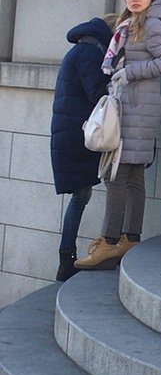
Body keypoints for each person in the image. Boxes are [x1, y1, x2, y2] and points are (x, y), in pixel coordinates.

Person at [75, 0, 161, 269]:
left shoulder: (151, 24)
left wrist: (130, 72)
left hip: (137, 108)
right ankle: (129, 237)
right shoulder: (130, 23)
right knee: (132, 176)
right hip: (133, 105)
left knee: (115, 175)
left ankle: (109, 242)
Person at [49, 14, 113, 281]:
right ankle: (74, 256)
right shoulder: (89, 52)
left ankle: (68, 257)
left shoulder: (81, 49)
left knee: (81, 195)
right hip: (79, 135)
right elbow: (96, 91)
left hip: (71, 133)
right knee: (90, 192)